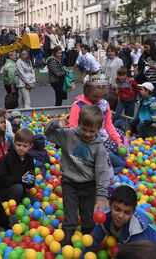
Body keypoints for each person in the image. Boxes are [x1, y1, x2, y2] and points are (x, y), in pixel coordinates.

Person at [44, 105, 110, 246]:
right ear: (79, 123)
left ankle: (89, 242)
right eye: (84, 129)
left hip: (89, 186)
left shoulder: (99, 148)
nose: (86, 133)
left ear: (99, 129)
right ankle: (67, 242)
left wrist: (101, 196)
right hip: (70, 183)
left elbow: (102, 173)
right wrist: (56, 123)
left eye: (91, 131)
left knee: (88, 216)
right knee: (70, 216)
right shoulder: (68, 135)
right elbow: (48, 134)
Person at [82, 185, 156, 259]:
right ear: (110, 205)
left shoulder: (136, 233)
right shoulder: (106, 219)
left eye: (127, 212)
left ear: (133, 213)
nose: (120, 216)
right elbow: (93, 241)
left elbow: (135, 255)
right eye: (117, 209)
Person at [0, 128, 35, 202]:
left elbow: (30, 185)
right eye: (18, 145)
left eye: (25, 146)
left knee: (34, 201)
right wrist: (20, 179)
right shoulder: (6, 158)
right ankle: (11, 208)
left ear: (30, 146)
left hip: (20, 190)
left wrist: (30, 182)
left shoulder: (29, 159)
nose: (21, 148)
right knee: (18, 188)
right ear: (14, 143)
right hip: (3, 191)